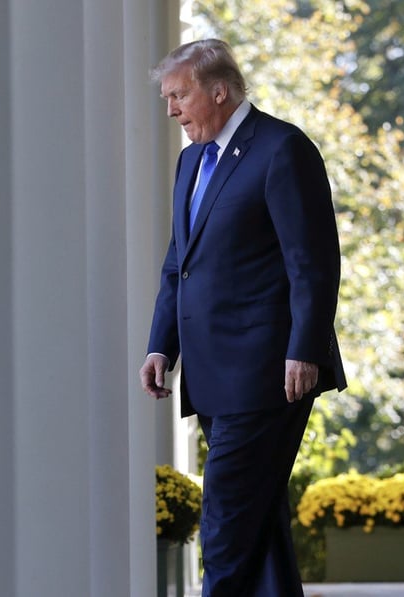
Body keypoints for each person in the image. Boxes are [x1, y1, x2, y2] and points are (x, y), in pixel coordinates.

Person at [138, 39, 346, 596]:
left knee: (227, 524)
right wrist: (162, 345)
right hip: (213, 376)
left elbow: (314, 263)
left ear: (219, 90)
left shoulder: (282, 149)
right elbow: (179, 261)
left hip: (268, 373)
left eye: (179, 95)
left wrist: (304, 347)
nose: (171, 110)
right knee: (258, 523)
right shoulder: (190, 161)